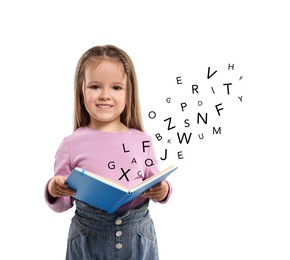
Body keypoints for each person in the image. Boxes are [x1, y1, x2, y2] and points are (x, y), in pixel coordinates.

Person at [44, 44, 172, 260]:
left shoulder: (143, 141)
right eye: (95, 86)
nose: (105, 95)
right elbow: (62, 203)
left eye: (116, 87)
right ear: (81, 90)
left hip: (138, 238)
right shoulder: (71, 144)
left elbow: (155, 182)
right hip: (88, 238)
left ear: (128, 92)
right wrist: (53, 189)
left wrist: (163, 190)